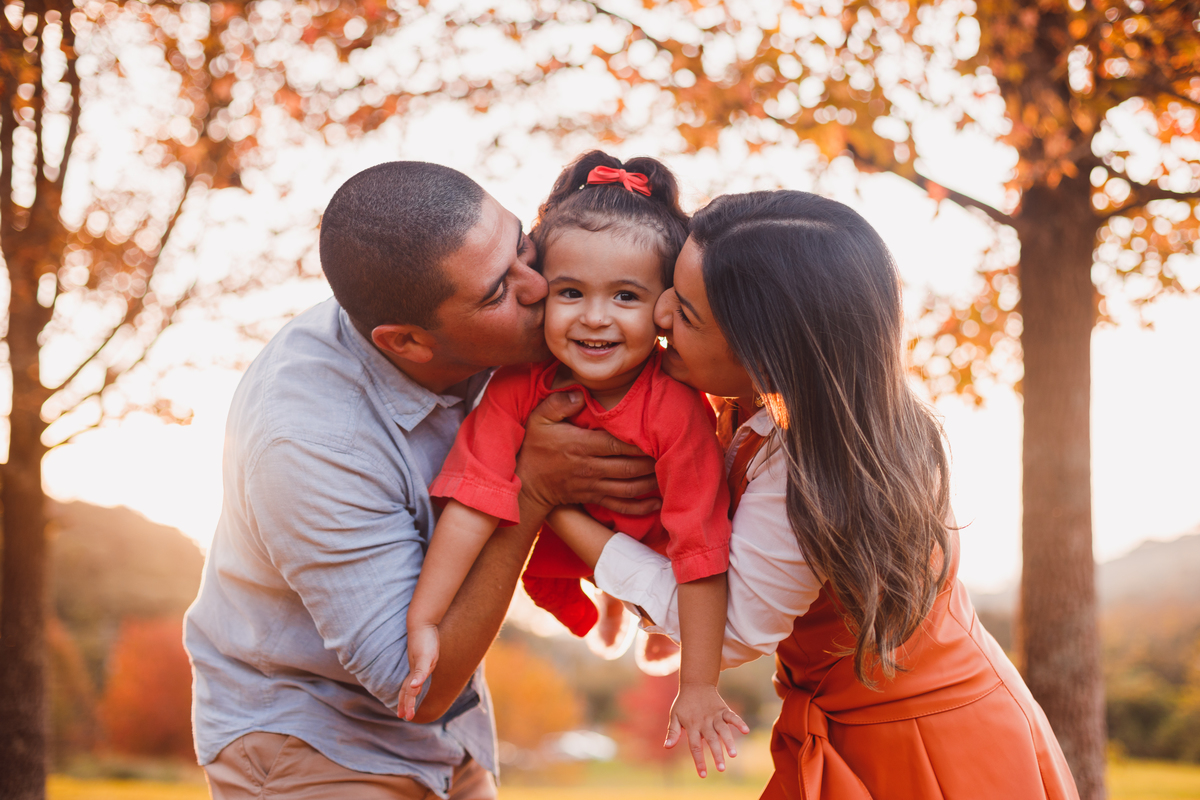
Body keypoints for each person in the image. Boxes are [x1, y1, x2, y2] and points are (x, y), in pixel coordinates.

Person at [546, 190, 1082, 798]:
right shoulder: (781, 411)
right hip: (861, 728)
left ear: (768, 361)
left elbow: (725, 632)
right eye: (671, 286)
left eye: (688, 313)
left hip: (929, 754)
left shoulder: (802, 470)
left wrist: (552, 504)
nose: (660, 313)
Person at [184, 161, 661, 800]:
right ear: (407, 342)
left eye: (523, 245)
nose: (538, 287)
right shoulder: (309, 441)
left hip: (455, 731)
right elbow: (415, 682)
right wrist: (534, 488)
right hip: (310, 738)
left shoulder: (493, 329)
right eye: (498, 292)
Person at [400, 153, 747, 768]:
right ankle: (607, 603)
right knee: (550, 566)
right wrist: (425, 618)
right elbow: (474, 501)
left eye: (625, 296)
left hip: (655, 542)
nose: (594, 317)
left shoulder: (677, 410)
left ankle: (637, 614)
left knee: (662, 596)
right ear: (542, 293)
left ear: (664, 308)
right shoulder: (519, 385)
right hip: (576, 526)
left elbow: (700, 550)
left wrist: (697, 685)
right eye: (570, 292)